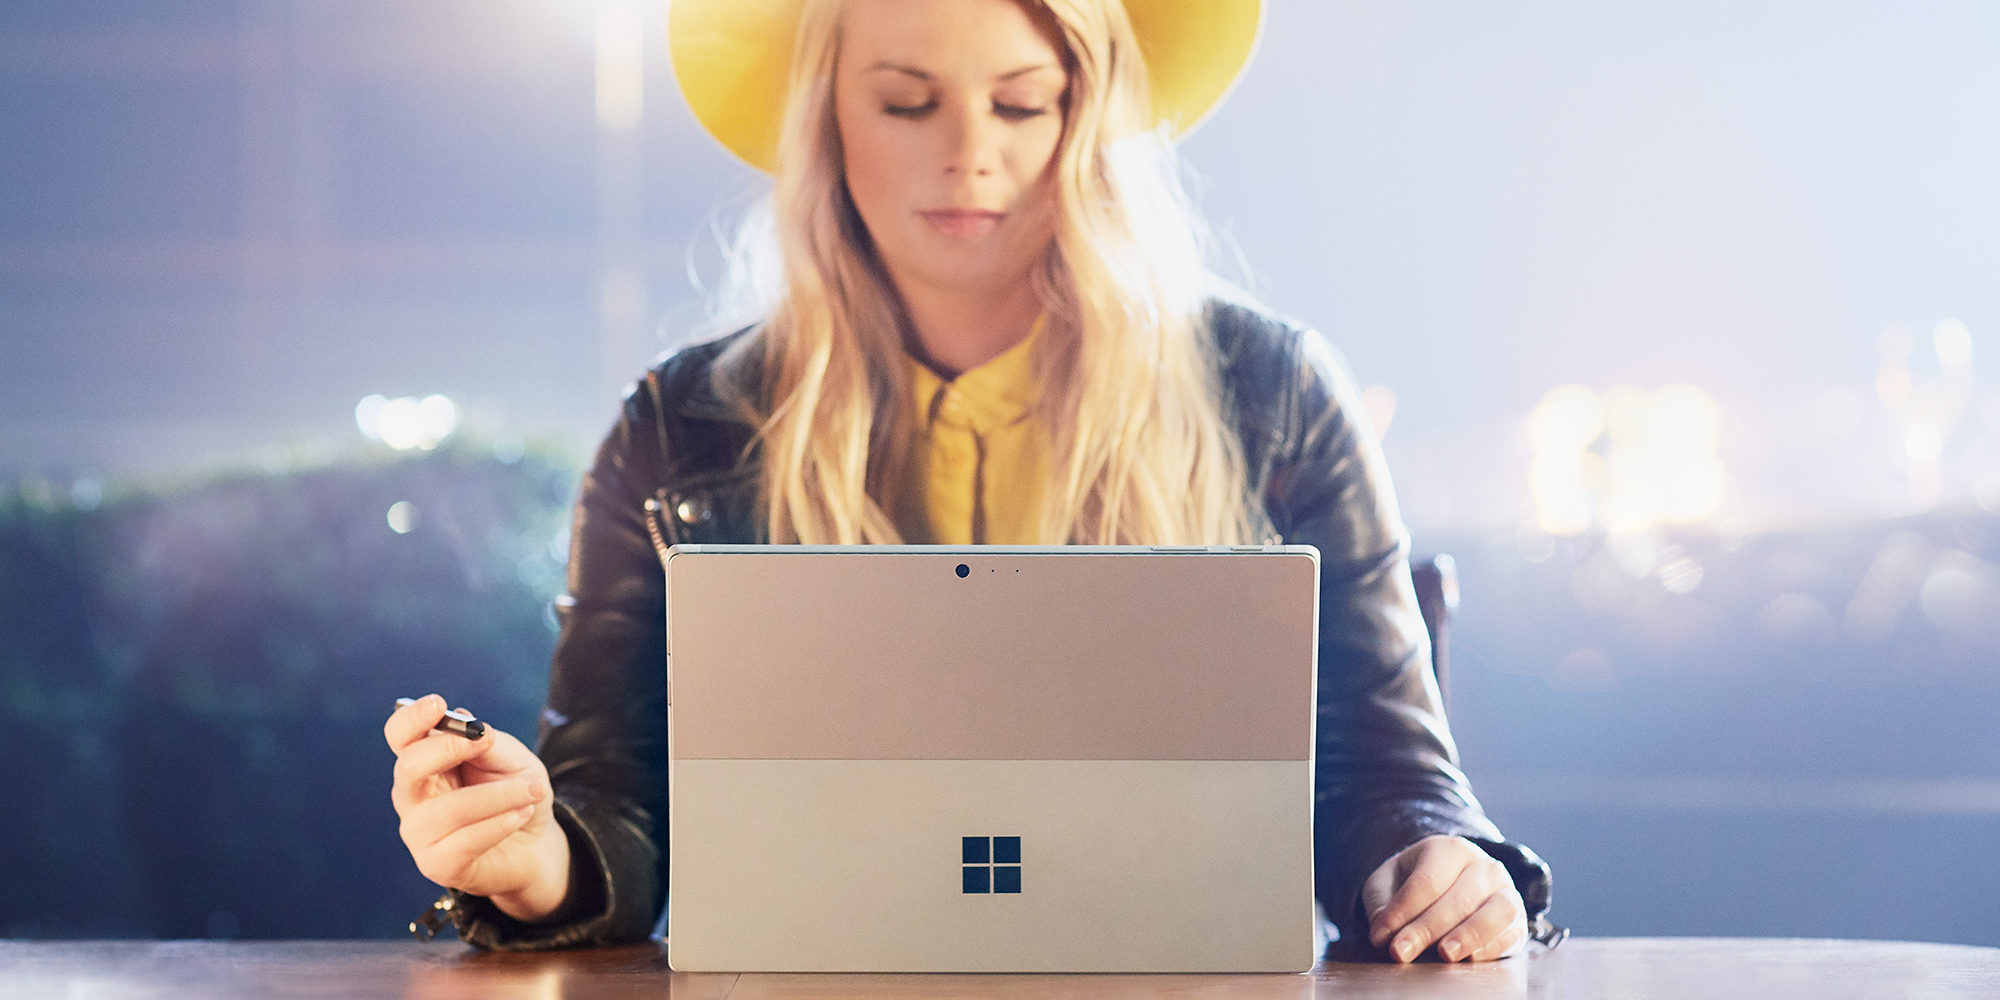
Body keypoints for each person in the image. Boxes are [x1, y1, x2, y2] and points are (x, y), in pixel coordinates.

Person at [386, 0, 1559, 963]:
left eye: (1020, 102)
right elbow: (614, 797)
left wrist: (1435, 867)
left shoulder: (1277, 394)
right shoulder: (678, 427)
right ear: (828, 115)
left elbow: (1394, 775)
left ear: (1088, 113)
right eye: (906, 102)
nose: (967, 153)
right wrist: (537, 858)